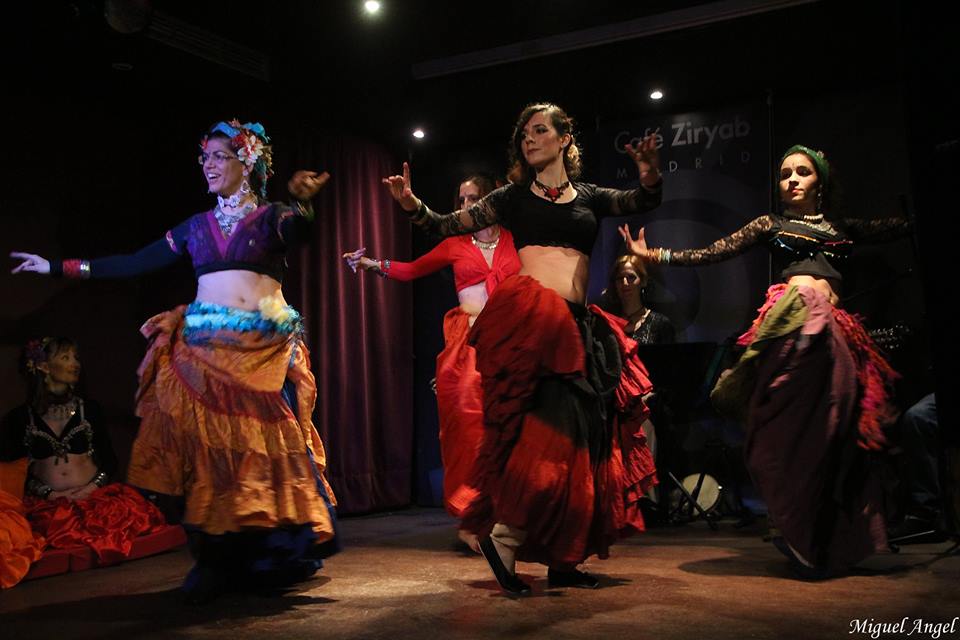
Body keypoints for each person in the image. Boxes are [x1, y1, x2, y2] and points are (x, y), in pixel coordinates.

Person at [10, 120, 338, 602]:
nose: (208, 165)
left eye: (219, 156)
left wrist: (304, 203)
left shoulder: (273, 218)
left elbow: (300, 232)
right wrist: (58, 267)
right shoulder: (195, 228)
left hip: (261, 356)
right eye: (204, 157)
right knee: (209, 464)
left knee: (260, 461)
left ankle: (270, 556)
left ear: (247, 162)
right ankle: (218, 561)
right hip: (204, 355)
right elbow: (134, 261)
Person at [382, 103, 661, 595]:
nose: (529, 140)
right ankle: (506, 538)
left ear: (565, 138)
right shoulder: (512, 198)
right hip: (537, 322)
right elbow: (446, 224)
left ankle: (564, 558)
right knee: (551, 435)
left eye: (539, 131)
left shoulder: (590, 196)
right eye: (524, 134)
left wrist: (649, 171)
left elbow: (642, 199)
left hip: (577, 324)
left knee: (584, 439)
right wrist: (410, 204)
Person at [621, 144, 907, 578]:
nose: (791, 180)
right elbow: (712, 252)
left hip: (836, 333)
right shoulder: (770, 224)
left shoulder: (840, 228)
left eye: (802, 172)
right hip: (796, 324)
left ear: (820, 181)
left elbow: (896, 229)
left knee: (839, 432)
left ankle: (826, 538)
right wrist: (655, 255)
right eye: (785, 173)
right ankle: (795, 526)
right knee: (789, 428)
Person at [343, 174, 521, 551]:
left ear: (491, 199)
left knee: (511, 427)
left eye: (474, 198)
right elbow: (412, 270)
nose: (466, 205)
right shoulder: (455, 244)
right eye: (461, 199)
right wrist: (374, 264)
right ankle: (472, 518)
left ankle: (508, 516)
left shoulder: (514, 240)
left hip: (510, 343)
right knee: (469, 428)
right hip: (470, 345)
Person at [598, 254, 675, 345]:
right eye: (620, 278)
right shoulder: (608, 322)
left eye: (631, 277)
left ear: (643, 281)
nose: (625, 283)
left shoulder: (661, 324)